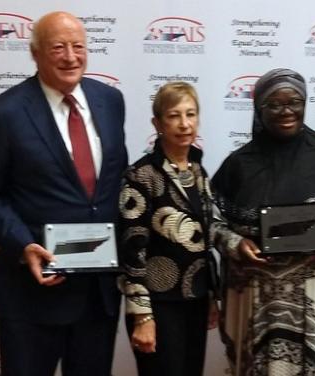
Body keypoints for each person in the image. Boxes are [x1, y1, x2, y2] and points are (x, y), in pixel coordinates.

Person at [0, 11, 127, 376]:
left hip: (97, 295)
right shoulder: (5, 112)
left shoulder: (111, 101)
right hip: (35, 293)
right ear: (35, 53)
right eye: (58, 47)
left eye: (78, 46)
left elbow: (113, 185)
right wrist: (22, 243)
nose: (71, 57)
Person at [211, 68, 315, 375]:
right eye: (275, 104)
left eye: (295, 102)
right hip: (260, 300)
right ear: (259, 109)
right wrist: (236, 244)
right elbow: (212, 221)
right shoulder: (238, 166)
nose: (286, 111)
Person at [118, 81, 226, 376]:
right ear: (158, 123)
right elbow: (131, 250)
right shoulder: (141, 175)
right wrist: (142, 315)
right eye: (174, 116)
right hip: (159, 304)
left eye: (191, 115)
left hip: (195, 299)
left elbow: (204, 242)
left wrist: (211, 296)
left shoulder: (198, 171)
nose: (184, 124)